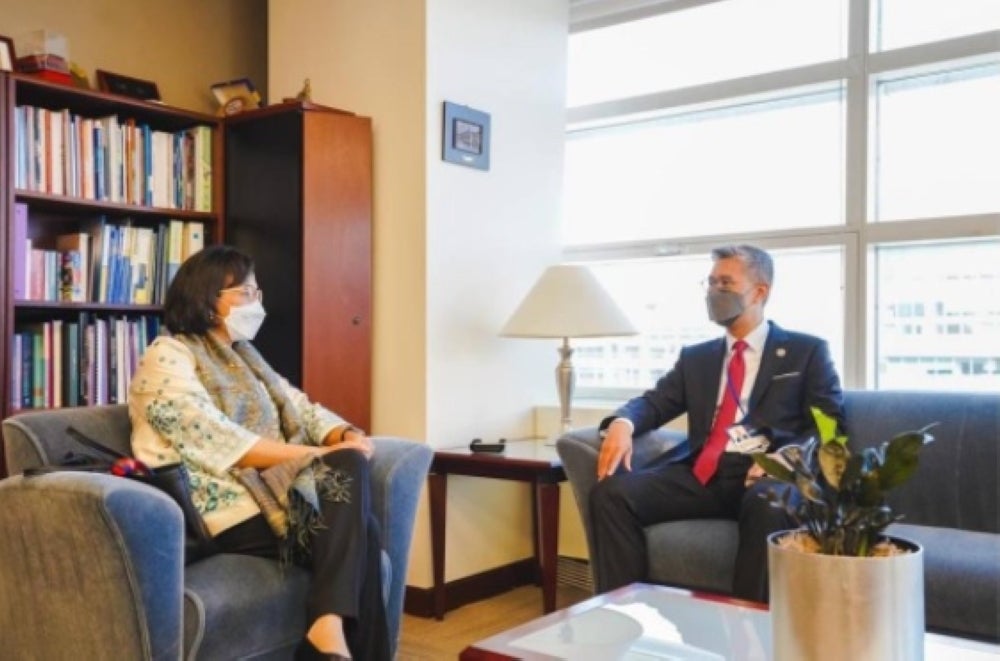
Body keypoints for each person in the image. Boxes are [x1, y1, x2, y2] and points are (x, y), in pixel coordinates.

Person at [128, 245, 387, 661]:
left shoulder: (246, 357)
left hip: (272, 496)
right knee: (358, 512)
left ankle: (328, 632)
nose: (258, 303)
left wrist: (344, 432)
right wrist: (313, 455)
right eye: (245, 293)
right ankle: (330, 634)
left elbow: (299, 405)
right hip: (222, 509)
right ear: (206, 300)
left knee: (361, 508)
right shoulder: (167, 355)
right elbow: (215, 438)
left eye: (258, 292)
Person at [590, 244, 845, 603]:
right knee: (611, 495)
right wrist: (622, 423)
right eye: (710, 283)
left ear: (760, 291)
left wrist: (784, 459)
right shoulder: (698, 358)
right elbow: (655, 402)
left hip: (765, 474)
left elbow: (829, 425)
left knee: (769, 503)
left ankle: (748, 632)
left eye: (725, 283)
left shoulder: (807, 352)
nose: (714, 292)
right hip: (703, 473)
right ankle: (626, 611)